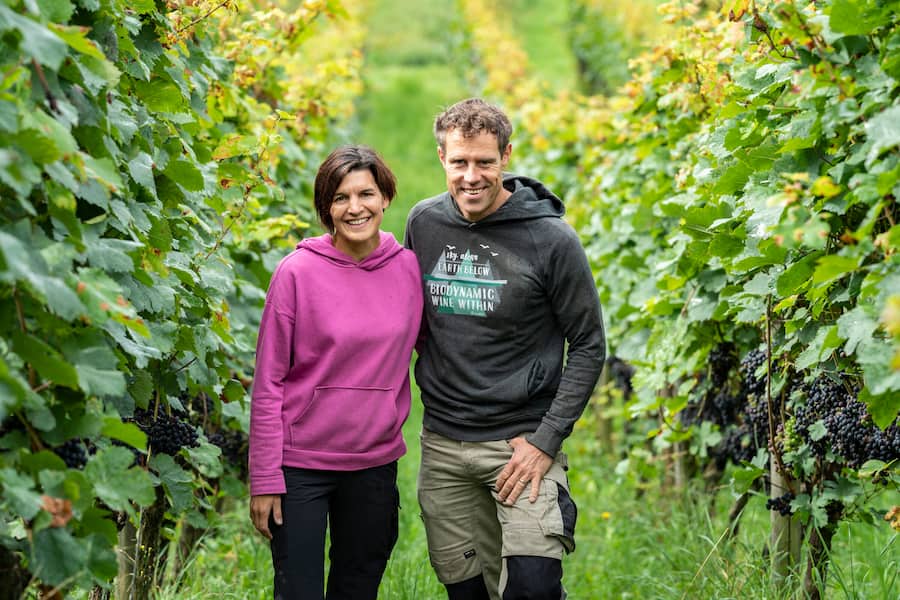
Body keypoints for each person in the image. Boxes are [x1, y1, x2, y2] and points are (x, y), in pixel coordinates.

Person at [404, 98, 606, 600]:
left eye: (485, 162)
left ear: (506, 157)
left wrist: (546, 440)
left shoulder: (552, 240)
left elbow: (588, 344)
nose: (472, 176)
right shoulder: (424, 223)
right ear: (442, 159)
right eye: (459, 163)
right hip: (445, 445)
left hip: (521, 446)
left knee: (533, 589)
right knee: (468, 593)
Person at [249, 145, 423, 600]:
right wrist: (265, 478)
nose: (355, 207)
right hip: (301, 466)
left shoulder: (407, 268)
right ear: (326, 208)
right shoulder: (296, 273)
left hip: (374, 464)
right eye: (340, 197)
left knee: (357, 589)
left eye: (366, 193)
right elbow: (267, 383)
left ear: (385, 197)